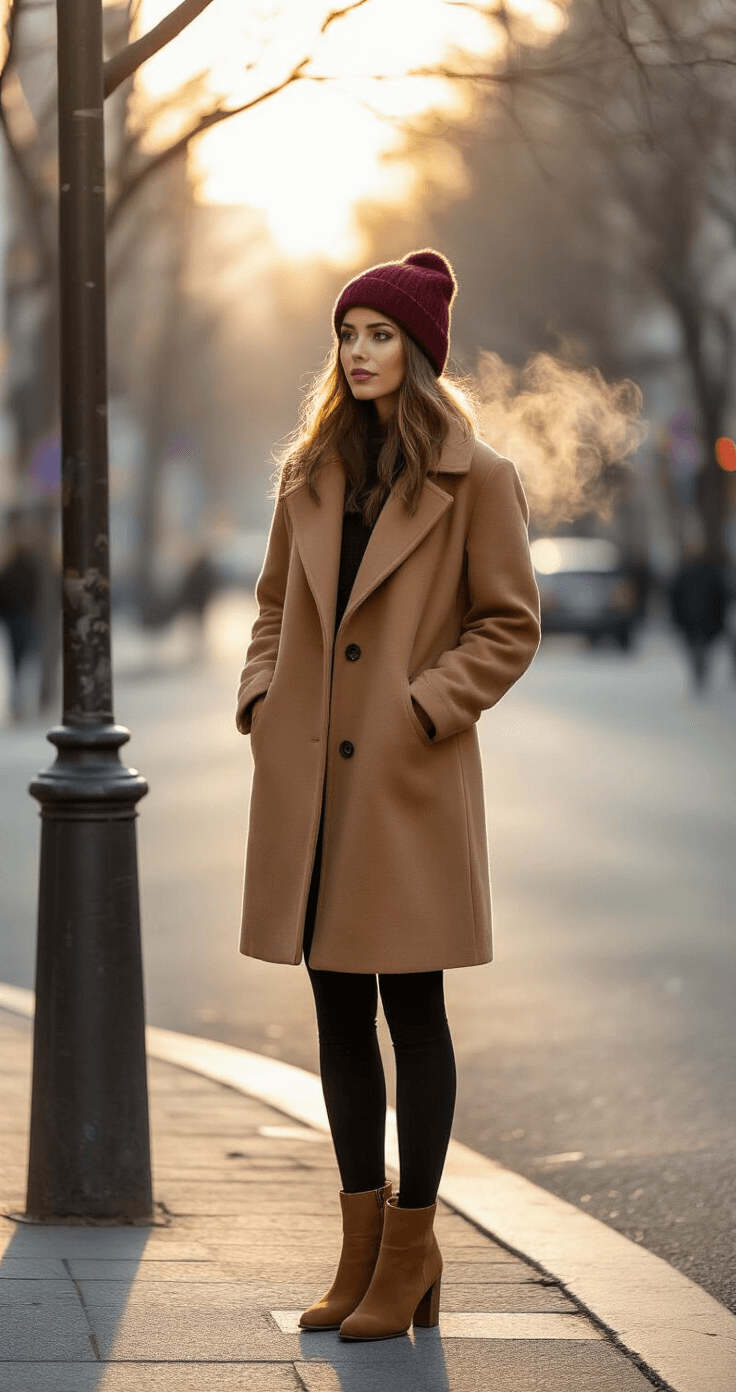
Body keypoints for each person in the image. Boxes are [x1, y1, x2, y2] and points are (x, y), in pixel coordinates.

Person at [235, 250, 541, 1342]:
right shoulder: (306, 470)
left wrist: (424, 708)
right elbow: (273, 607)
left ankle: (410, 1250)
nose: (359, 354)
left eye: (378, 336)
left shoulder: (477, 477)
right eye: (347, 335)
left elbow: (508, 623)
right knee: (335, 1009)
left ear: (416, 352)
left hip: (405, 782)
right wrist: (261, 695)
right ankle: (360, 1254)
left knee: (412, 1009)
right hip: (313, 785)